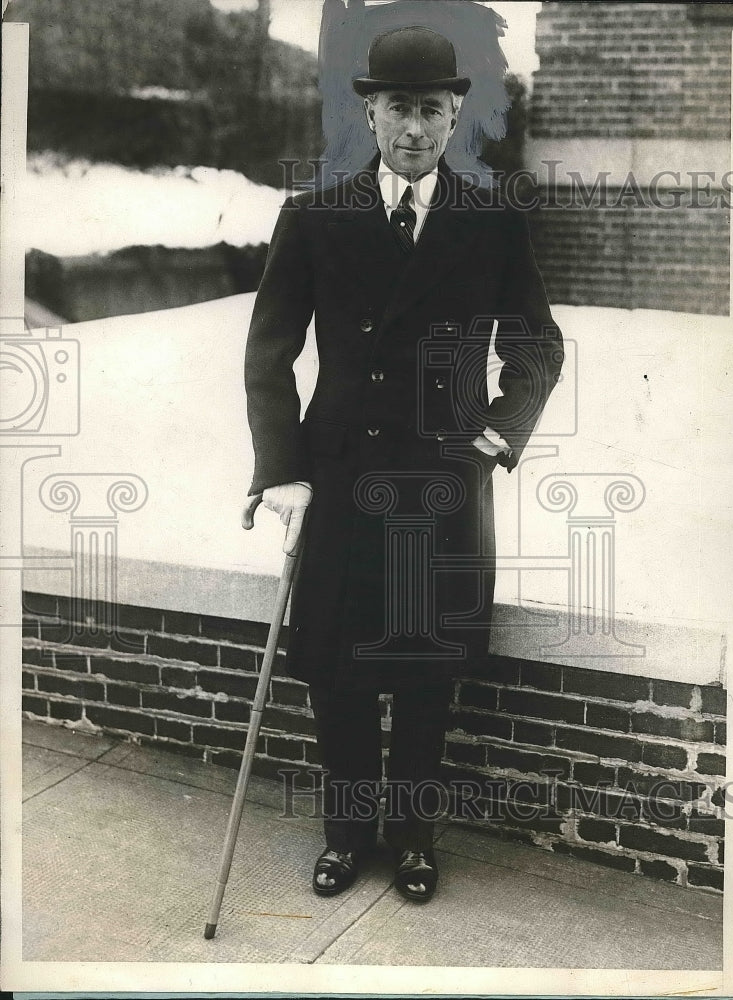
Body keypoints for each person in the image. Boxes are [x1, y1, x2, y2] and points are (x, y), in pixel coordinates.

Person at [243, 24, 563, 902]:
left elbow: (536, 343)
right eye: (397, 107)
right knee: (340, 670)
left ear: (455, 114)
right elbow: (269, 353)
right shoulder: (316, 212)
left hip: (440, 482)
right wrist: (282, 468)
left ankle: (414, 837)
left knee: (425, 673)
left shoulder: (492, 216)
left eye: (431, 108)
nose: (413, 127)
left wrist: (499, 433)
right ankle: (347, 834)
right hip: (342, 476)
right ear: (369, 111)